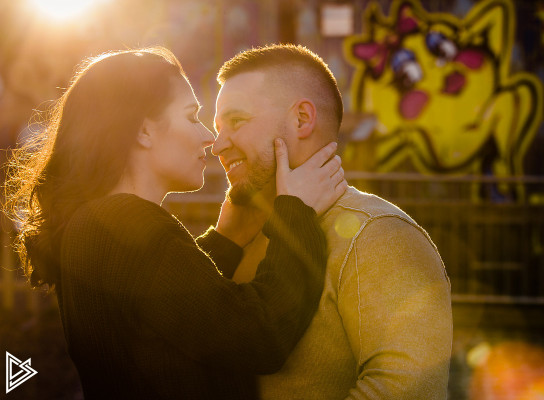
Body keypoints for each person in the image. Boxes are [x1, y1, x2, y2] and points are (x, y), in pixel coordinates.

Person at [4, 47, 347, 399]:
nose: (209, 139)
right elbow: (258, 337)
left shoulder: (97, 223)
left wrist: (225, 240)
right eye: (191, 116)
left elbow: (169, 316)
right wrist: (298, 213)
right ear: (144, 131)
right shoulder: (126, 221)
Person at [212, 44, 453, 399]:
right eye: (217, 128)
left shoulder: (380, 234)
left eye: (236, 121)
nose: (218, 145)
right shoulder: (240, 236)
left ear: (302, 120)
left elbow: (406, 392)